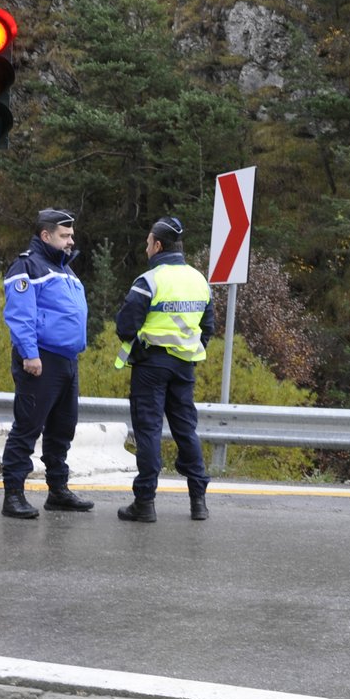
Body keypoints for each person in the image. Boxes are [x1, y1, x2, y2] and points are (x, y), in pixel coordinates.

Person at [114, 216, 213, 522]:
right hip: (185, 366)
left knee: (149, 431)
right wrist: (187, 350)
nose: (146, 249)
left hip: (151, 365)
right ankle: (199, 502)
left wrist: (143, 349)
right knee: (186, 430)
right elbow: (208, 328)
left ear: (157, 245)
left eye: (147, 243)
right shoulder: (200, 280)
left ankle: (145, 503)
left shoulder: (150, 280)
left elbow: (125, 324)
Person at [0, 208, 94, 519]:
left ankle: (58, 491)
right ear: (46, 235)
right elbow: (20, 314)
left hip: (67, 360)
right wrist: (29, 354)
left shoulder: (65, 269)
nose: (71, 240)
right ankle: (13, 494)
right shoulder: (27, 266)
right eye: (64, 235)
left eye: (71, 235)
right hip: (40, 358)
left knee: (62, 429)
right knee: (28, 426)